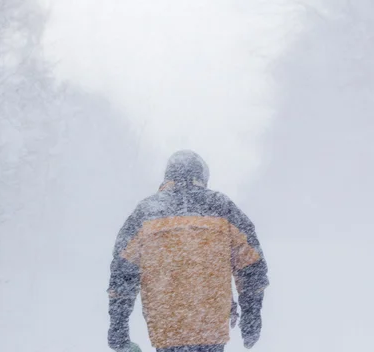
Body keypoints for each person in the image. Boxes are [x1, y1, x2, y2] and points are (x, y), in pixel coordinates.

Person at [107, 150, 269, 352]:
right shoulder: (222, 207)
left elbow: (123, 270)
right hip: (210, 325)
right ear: (202, 176)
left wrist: (118, 325)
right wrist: (251, 315)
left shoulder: (146, 212)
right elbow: (251, 265)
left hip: (166, 325)